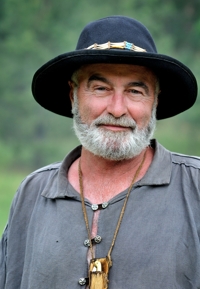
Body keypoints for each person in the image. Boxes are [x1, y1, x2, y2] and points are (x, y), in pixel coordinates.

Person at [0, 15, 199, 289]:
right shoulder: (32, 193)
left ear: (155, 100)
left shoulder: (196, 188)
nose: (117, 109)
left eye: (135, 91)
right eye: (101, 88)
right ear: (73, 95)